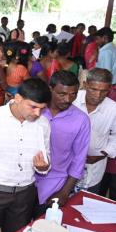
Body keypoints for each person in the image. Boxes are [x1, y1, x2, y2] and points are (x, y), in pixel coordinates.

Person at [0, 78, 51, 232]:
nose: (38, 113)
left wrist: (44, 167)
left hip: (24, 195)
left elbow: (46, 156)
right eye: (33, 107)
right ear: (18, 99)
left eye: (42, 109)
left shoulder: (43, 124)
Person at [35, 71, 90, 214]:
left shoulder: (81, 120)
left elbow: (79, 159)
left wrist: (65, 192)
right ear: (50, 89)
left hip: (54, 185)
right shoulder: (36, 110)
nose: (68, 99)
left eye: (73, 94)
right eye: (62, 94)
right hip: (25, 182)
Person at [73, 68, 116, 197]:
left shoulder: (113, 109)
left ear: (109, 89)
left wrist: (104, 154)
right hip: (66, 165)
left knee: (85, 204)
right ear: (86, 85)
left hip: (94, 169)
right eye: (93, 89)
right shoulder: (72, 100)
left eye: (103, 91)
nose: (98, 95)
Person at [95, 27, 116, 101]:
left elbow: (105, 73)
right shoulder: (112, 48)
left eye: (97, 39)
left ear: (105, 38)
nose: (96, 41)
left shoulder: (106, 52)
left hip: (108, 86)